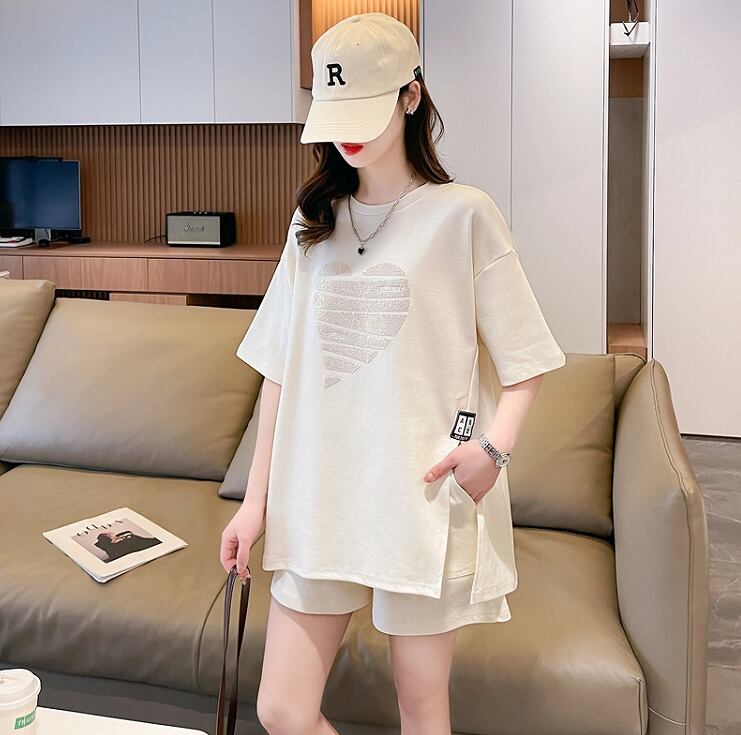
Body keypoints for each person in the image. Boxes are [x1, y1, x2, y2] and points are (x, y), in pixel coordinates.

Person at [219, 11, 566, 734]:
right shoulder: (312, 222)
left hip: (420, 495)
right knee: (282, 710)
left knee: (420, 705)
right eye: (334, 113)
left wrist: (493, 448)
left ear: (411, 96)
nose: (345, 135)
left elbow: (527, 357)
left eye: (364, 109)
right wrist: (255, 503)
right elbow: (279, 371)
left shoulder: (463, 216)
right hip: (318, 493)